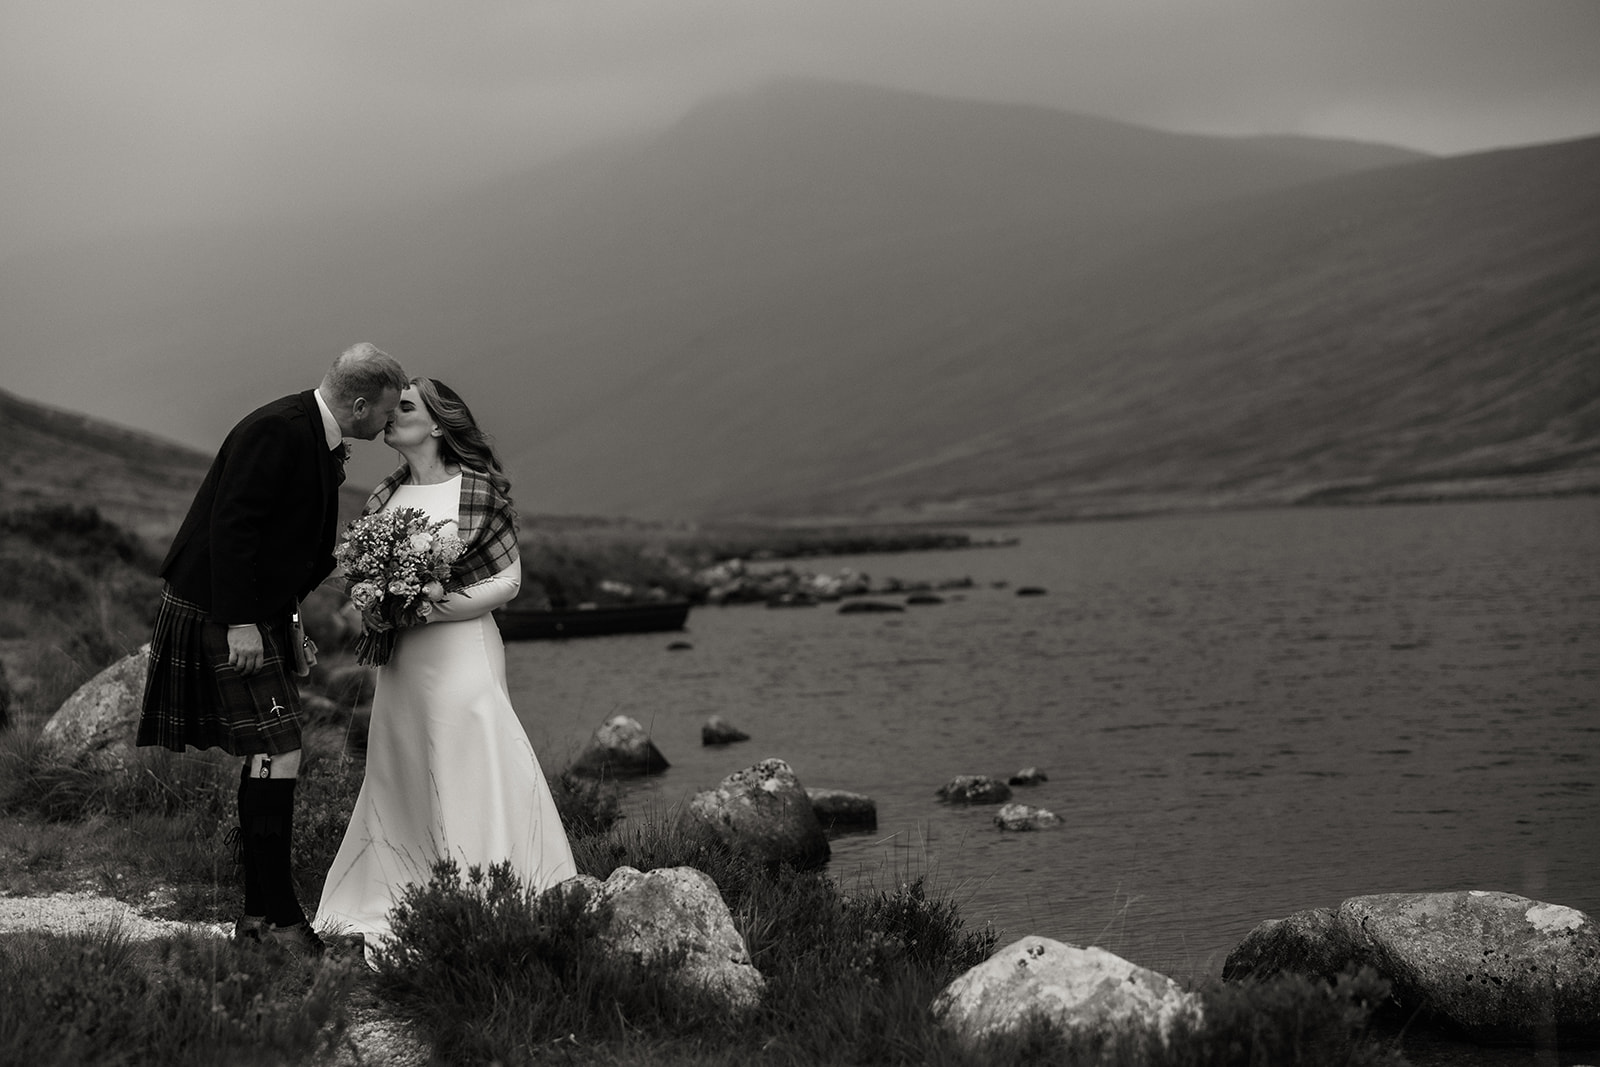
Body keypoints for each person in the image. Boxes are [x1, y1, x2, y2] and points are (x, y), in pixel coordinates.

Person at [137, 342, 407, 954]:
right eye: (385, 414)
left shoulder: (307, 430)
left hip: (253, 611)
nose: (387, 425)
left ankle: (259, 920)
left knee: (270, 753)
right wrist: (239, 625)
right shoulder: (277, 431)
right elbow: (234, 527)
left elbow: (277, 547)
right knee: (278, 752)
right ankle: (281, 924)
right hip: (217, 610)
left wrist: (286, 625)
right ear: (359, 403)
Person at [316, 377, 576, 956]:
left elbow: (507, 581)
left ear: (436, 424)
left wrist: (425, 609)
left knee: (471, 754)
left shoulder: (477, 492)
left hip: (463, 653)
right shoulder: (383, 497)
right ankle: (404, 891)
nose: (391, 415)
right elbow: (361, 575)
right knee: (401, 761)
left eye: (405, 407)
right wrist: (378, 604)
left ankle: (495, 890)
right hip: (401, 661)